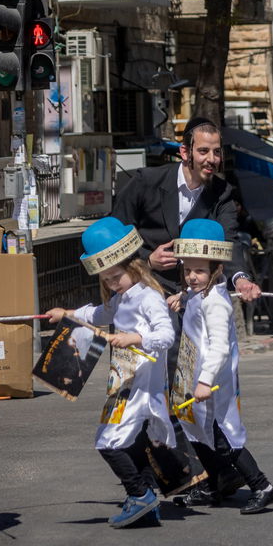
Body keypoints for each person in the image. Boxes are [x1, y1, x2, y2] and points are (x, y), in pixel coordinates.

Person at [46, 218, 175, 528]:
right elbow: (99, 313)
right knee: (129, 441)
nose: (112, 284)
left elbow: (167, 335)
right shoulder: (122, 297)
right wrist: (67, 314)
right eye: (106, 280)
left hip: (141, 385)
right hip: (124, 381)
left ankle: (140, 495)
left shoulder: (149, 297)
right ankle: (145, 499)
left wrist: (135, 338)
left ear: (135, 266)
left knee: (108, 441)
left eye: (116, 277)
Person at [172, 218, 273, 515]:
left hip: (213, 381)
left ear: (216, 270)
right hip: (194, 376)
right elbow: (193, 300)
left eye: (199, 271)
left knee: (224, 435)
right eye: (187, 270)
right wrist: (181, 296)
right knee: (195, 430)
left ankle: (262, 486)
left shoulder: (216, 302)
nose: (192, 276)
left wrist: (205, 381)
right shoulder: (198, 294)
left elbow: (219, 346)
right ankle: (213, 484)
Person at [110, 117, 261, 300]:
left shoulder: (223, 193)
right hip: (143, 289)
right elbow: (116, 231)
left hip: (194, 296)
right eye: (203, 151)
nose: (211, 159)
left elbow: (229, 241)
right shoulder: (146, 181)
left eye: (217, 152)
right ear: (185, 152)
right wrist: (148, 260)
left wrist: (241, 279)